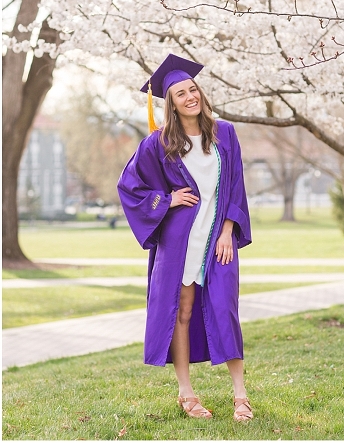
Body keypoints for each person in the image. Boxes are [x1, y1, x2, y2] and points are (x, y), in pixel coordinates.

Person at [117, 54, 253, 422]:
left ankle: (241, 395)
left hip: (216, 241)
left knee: (225, 308)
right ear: (171, 103)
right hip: (179, 244)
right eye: (180, 93)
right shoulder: (158, 143)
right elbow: (129, 187)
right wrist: (168, 199)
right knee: (183, 311)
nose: (190, 96)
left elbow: (236, 186)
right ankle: (186, 393)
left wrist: (229, 230)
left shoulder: (224, 132)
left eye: (193, 89)